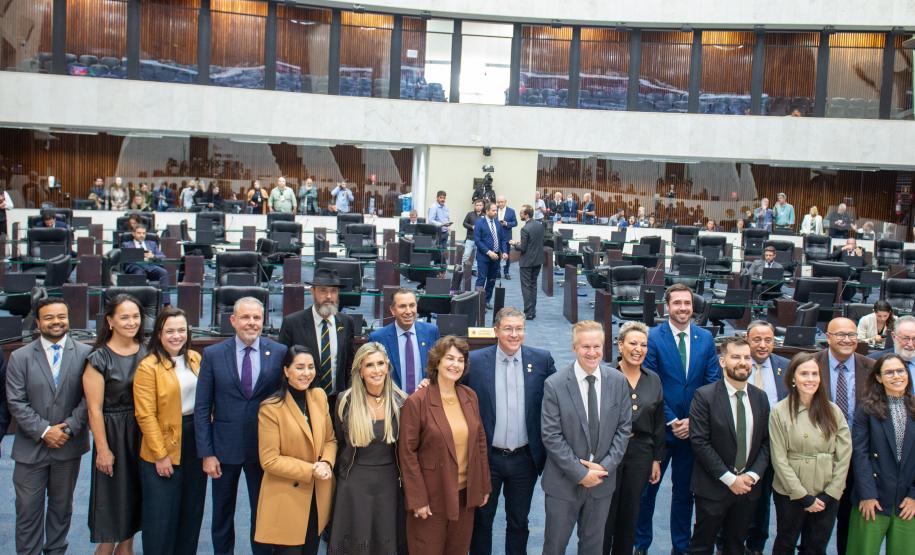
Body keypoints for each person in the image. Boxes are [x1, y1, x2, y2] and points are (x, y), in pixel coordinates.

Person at [194, 297, 287, 555]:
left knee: (263, 513)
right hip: (224, 450)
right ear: (233, 320)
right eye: (245, 317)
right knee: (222, 514)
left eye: (257, 318)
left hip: (264, 450)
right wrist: (207, 453)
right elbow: (202, 407)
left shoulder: (278, 352)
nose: (251, 323)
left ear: (263, 321)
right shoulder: (213, 355)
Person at [635, 283, 721, 555]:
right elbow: (649, 383)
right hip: (660, 429)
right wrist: (673, 420)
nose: (683, 308)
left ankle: (680, 547)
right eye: (677, 303)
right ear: (666, 306)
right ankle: (641, 544)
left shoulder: (705, 338)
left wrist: (693, 422)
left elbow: (712, 383)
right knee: (647, 493)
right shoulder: (653, 336)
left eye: (687, 303)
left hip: (694, 432)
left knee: (684, 494)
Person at [466, 308, 556, 555]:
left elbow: (560, 394)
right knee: (482, 521)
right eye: (508, 328)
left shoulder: (541, 360)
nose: (514, 334)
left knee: (519, 522)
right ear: (496, 331)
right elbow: (450, 388)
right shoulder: (474, 361)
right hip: (487, 460)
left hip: (524, 460)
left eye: (519, 329)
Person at [6, 298, 91, 555]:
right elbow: (16, 401)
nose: (56, 322)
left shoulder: (86, 353)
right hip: (30, 449)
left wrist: (66, 429)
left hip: (68, 447)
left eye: (61, 316)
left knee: (61, 509)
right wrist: (45, 431)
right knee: (27, 511)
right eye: (49, 317)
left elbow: (90, 398)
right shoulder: (20, 357)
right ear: (38, 322)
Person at [540, 320, 632, 555]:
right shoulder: (555, 384)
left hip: (602, 482)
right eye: (585, 347)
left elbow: (623, 430)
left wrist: (603, 469)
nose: (592, 353)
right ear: (574, 348)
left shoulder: (618, 381)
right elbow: (551, 436)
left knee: (593, 548)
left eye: (597, 347)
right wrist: (581, 474)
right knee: (554, 547)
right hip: (563, 483)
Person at [399, 336, 492, 555]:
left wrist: (483, 484)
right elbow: (407, 453)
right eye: (449, 358)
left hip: (464, 496)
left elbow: (479, 442)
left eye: (460, 360)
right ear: (437, 362)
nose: (455, 364)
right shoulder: (418, 401)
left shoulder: (469, 396)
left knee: (458, 550)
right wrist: (417, 499)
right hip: (431, 497)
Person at [688, 337, 771, 555]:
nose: (743, 362)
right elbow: (699, 442)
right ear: (723, 361)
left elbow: (766, 443)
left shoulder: (760, 398)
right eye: (736, 357)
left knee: (735, 546)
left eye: (746, 357)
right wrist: (729, 478)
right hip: (713, 487)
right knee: (701, 547)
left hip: (747, 489)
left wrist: (752, 476)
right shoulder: (704, 396)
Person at [133, 307, 206, 555]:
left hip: (194, 441)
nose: (177, 336)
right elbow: (145, 415)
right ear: (159, 334)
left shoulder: (195, 358)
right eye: (170, 331)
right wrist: (160, 454)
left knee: (191, 511)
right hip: (162, 445)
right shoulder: (148, 366)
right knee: (161, 518)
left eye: (181, 330)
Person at [256, 345, 336, 555]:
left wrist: (326, 462)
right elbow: (269, 460)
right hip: (287, 499)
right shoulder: (271, 408)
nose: (306, 373)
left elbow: (330, 440)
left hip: (316, 497)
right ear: (286, 370)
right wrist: (311, 469)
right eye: (299, 367)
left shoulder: (319, 396)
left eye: (310, 367)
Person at [769, 352, 852, 554]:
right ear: (793, 379)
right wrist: (802, 496)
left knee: (816, 547)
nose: (810, 379)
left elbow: (844, 454)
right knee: (785, 543)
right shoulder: (779, 411)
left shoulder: (833, 411)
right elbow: (779, 459)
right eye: (804, 374)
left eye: (815, 374)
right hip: (791, 493)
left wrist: (832, 492)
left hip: (827, 493)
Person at [83, 294, 148, 553]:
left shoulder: (147, 350)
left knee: (135, 500)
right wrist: (103, 449)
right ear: (110, 321)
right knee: (111, 504)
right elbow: (94, 409)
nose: (131, 322)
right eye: (124, 317)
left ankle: (127, 549)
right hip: (112, 433)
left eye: (136, 316)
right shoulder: (98, 358)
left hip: (141, 433)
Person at [330, 343, 408, 555]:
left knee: (385, 541)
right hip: (354, 482)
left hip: (390, 482)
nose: (376, 370)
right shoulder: (345, 401)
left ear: (388, 366)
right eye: (370, 365)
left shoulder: (402, 402)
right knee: (355, 543)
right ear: (360, 371)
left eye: (381, 363)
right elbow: (339, 442)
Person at [815, 316, 877, 554]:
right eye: (840, 334)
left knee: (849, 521)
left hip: (857, 457)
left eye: (851, 335)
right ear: (828, 337)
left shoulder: (871, 368)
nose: (847, 339)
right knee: (815, 523)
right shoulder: (811, 365)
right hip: (820, 457)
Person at [603, 322, 665, 555]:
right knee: (605, 514)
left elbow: (658, 422)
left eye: (643, 345)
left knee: (630, 515)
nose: (638, 349)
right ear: (620, 345)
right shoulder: (606, 375)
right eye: (633, 343)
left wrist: (656, 459)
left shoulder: (654, 380)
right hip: (608, 452)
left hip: (641, 453)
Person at [847, 353, 915, 554]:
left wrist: (914, 495)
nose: (897, 376)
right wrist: (867, 495)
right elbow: (860, 455)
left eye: (900, 370)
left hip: (907, 502)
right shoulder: (866, 410)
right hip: (873, 499)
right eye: (889, 372)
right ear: (878, 377)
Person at [736, 321, 790, 554]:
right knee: (736, 496)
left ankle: (756, 544)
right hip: (739, 442)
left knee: (763, 497)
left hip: (773, 444)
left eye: (768, 340)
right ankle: (728, 541)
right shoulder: (736, 365)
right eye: (757, 339)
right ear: (747, 340)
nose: (762, 345)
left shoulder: (785, 367)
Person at [278, 268, 356, 402]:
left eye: (333, 291)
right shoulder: (292, 323)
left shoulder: (346, 322)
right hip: (303, 400)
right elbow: (282, 365)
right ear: (312, 291)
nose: (329, 297)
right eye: (323, 290)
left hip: (337, 401)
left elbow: (349, 363)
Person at [368, 288, 440, 394]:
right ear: (392, 310)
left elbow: (438, 366)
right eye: (402, 306)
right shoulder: (378, 338)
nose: (408, 311)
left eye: (412, 305)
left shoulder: (431, 332)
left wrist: (431, 381)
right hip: (391, 402)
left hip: (424, 401)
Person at [121, 222, 171, 305]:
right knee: (139, 272)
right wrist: (140, 255)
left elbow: (162, 256)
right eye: (139, 233)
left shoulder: (152, 244)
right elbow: (125, 259)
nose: (142, 235)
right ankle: (140, 303)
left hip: (150, 266)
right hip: (135, 267)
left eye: (144, 233)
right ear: (133, 234)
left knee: (163, 272)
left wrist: (153, 256)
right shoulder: (126, 244)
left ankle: (166, 304)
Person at [509, 205, 545, 320]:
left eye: (521, 213)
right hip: (538, 260)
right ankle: (532, 311)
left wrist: (515, 243)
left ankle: (528, 312)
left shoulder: (525, 229)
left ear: (526, 215)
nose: (519, 215)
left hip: (527, 262)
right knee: (533, 285)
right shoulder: (540, 226)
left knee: (526, 286)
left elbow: (523, 248)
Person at [474, 201, 509, 308]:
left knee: (492, 280)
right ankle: (478, 302)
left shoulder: (498, 223)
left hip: (496, 257)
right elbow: (477, 240)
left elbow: (502, 239)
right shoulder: (480, 222)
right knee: (482, 278)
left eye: (496, 210)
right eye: (493, 211)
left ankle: (486, 301)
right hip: (484, 256)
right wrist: (488, 252)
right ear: (487, 211)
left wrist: (504, 252)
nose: (495, 212)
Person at [496, 196, 518, 279]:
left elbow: (515, 223)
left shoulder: (511, 211)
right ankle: (497, 272)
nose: (500, 203)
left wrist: (506, 224)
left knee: (507, 255)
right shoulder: (495, 210)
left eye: (502, 202)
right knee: (496, 254)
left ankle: (506, 272)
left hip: (506, 236)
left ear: (505, 202)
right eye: (499, 202)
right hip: (496, 236)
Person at [462, 199, 484, 268]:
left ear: (483, 206)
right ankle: (463, 268)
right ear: (474, 206)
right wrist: (472, 227)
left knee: (477, 256)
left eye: (480, 205)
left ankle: (474, 269)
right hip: (470, 238)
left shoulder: (485, 215)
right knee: (466, 255)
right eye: (477, 205)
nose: (478, 207)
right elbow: (464, 223)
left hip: (480, 239)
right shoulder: (470, 214)